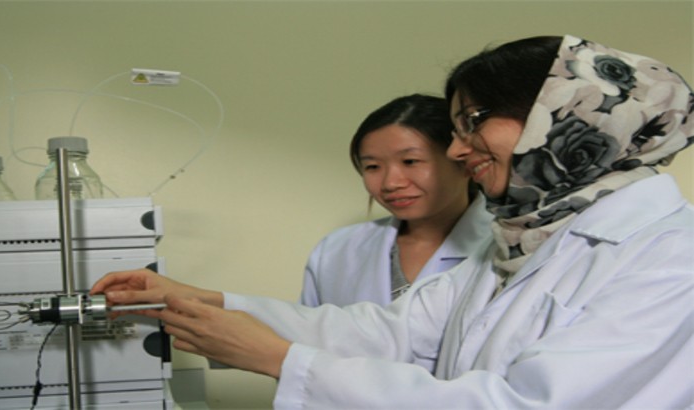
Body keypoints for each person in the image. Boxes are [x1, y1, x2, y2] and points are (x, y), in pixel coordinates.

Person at [91, 35, 694, 408]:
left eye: (475, 120)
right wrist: (198, 300)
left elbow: (528, 405)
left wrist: (282, 360)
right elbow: (389, 334)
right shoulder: (527, 243)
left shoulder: (669, 255)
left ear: (568, 116)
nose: (459, 151)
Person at [300, 94, 493, 307]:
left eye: (410, 161)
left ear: (463, 161)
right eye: (372, 166)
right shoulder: (336, 250)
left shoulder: (503, 245)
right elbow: (306, 331)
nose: (391, 183)